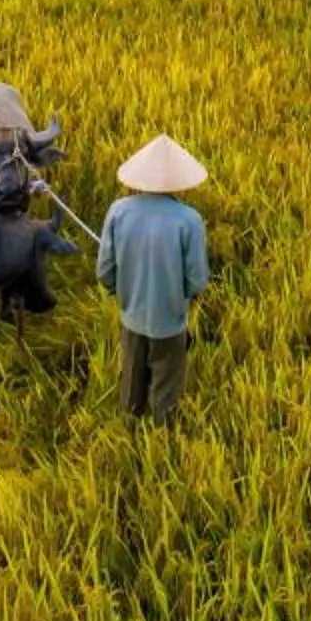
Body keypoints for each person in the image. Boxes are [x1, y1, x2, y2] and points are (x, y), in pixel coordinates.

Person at [99, 133, 213, 423]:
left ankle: (128, 430)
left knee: (132, 377)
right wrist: (181, 297)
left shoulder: (118, 211)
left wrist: (122, 291)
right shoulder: (189, 220)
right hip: (170, 321)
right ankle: (162, 439)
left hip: (131, 316)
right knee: (166, 383)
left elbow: (105, 270)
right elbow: (197, 279)